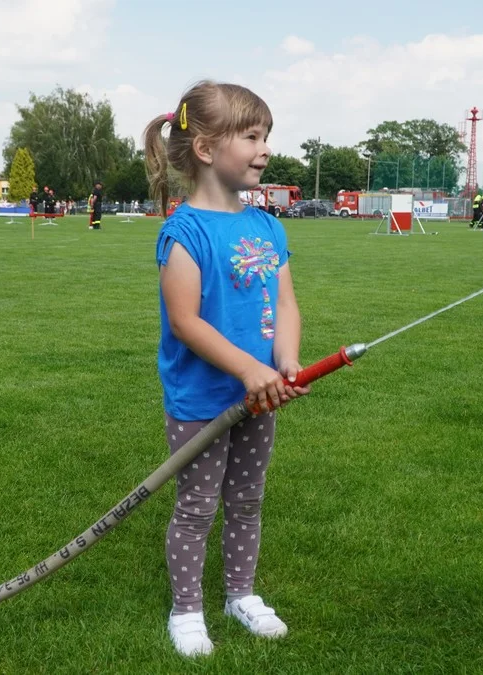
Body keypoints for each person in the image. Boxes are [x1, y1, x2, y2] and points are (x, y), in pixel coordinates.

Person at [143, 81, 306, 658]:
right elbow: (185, 321)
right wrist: (246, 368)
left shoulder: (267, 227)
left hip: (260, 394)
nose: (265, 149)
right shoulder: (182, 231)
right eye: (253, 136)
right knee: (196, 506)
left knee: (247, 500)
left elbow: (286, 304)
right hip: (202, 398)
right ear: (208, 149)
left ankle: (241, 595)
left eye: (267, 136)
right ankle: (186, 609)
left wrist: (283, 362)